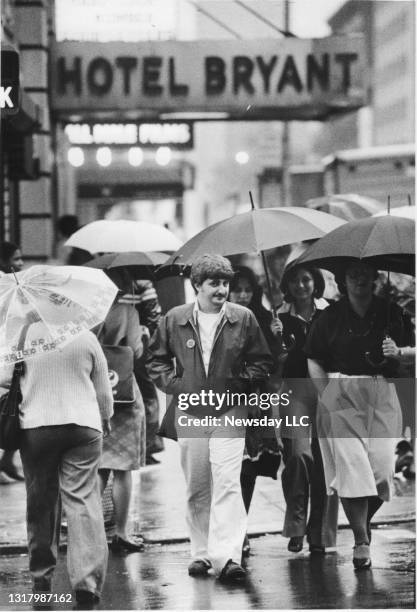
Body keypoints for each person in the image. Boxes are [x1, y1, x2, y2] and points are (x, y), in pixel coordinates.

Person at [147, 254, 273, 583]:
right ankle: (200, 553)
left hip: (230, 410)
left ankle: (227, 556)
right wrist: (177, 386)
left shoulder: (243, 318)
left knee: (229, 483)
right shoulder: (174, 319)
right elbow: (156, 361)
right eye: (214, 283)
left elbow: (261, 360)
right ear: (197, 285)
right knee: (197, 486)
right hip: (190, 410)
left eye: (225, 283)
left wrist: (238, 385)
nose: (221, 289)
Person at [305, 259, 415, 570]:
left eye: (365, 274)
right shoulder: (330, 317)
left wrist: (400, 353)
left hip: (382, 393)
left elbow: (412, 354)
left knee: (382, 470)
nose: (359, 280)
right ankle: (360, 540)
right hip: (342, 392)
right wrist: (327, 396)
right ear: (343, 282)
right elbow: (313, 359)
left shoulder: (392, 311)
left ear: (375, 278)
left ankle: (362, 522)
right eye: (353, 275)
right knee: (352, 467)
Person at [0, 323, 113, 608]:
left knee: (41, 501)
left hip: (36, 428)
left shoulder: (20, 337)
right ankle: (86, 584)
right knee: (83, 500)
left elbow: (3, 381)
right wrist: (105, 418)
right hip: (84, 427)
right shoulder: (86, 337)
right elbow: (103, 393)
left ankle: (42, 578)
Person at [272, 263, 339, 555]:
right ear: (286, 285)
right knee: (298, 455)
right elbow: (272, 365)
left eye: (306, 279)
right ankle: (296, 526)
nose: (300, 286)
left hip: (327, 390)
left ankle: (320, 533)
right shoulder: (278, 317)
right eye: (294, 281)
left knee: (326, 462)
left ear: (315, 283)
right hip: (294, 390)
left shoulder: (331, 312)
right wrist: (276, 342)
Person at [228, 266, 282, 556]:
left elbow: (274, 362)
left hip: (254, 402)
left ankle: (241, 528)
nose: (244, 295)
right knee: (226, 468)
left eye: (249, 289)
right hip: (223, 401)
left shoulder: (262, 319)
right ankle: (226, 528)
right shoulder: (217, 320)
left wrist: (275, 336)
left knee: (247, 468)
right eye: (238, 289)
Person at [97, 269, 147, 552]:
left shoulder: (90, 311)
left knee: (100, 467)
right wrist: (143, 334)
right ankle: (122, 531)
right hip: (125, 393)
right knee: (123, 469)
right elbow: (136, 350)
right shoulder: (128, 311)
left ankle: (91, 530)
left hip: (96, 392)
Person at [119, 279, 164, 465]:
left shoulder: (108, 281)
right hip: (139, 348)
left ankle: (131, 445)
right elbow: (155, 318)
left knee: (122, 395)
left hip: (115, 349)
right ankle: (147, 445)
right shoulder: (143, 285)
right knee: (146, 395)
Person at [0, 241, 25, 484]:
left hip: (9, 353)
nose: (20, 264)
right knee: (12, 407)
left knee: (11, 408)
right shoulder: (6, 285)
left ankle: (7, 459)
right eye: (15, 259)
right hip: (6, 355)